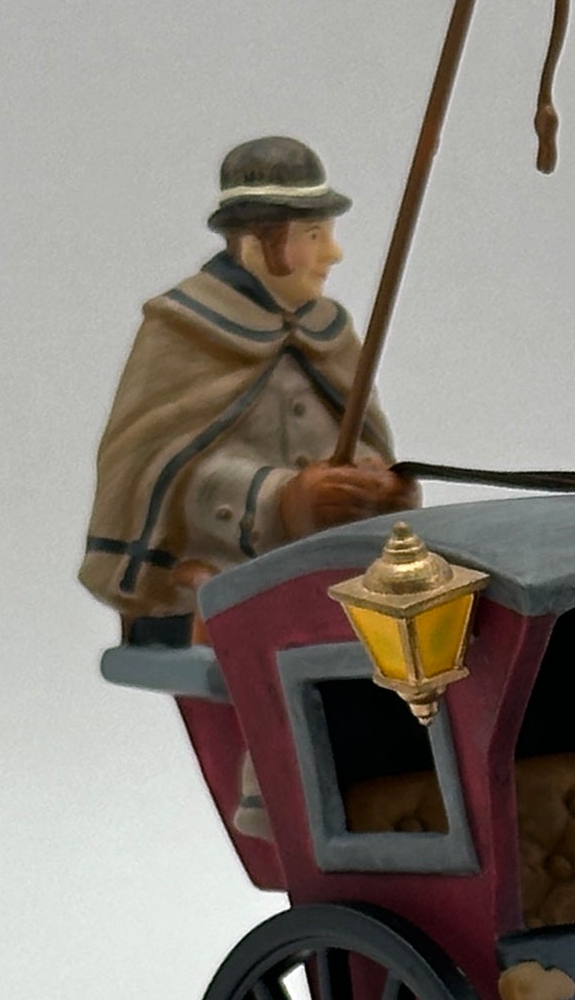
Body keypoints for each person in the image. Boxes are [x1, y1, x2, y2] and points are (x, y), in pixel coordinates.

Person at [81, 136, 413, 642]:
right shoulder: (185, 329)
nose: (334, 253)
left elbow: (359, 433)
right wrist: (282, 501)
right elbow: (165, 474)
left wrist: (377, 486)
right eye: (314, 235)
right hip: (221, 589)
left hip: (333, 586)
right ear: (260, 242)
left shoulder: (331, 332)